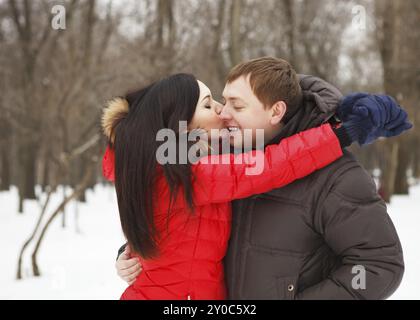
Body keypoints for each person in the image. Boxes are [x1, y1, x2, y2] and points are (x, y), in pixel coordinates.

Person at [111, 59, 411, 300]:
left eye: (236, 106)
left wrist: (339, 123)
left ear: (276, 110)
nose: (223, 113)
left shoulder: (335, 176)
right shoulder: (207, 161)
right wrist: (135, 252)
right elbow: (182, 219)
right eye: (217, 102)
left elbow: (378, 265)